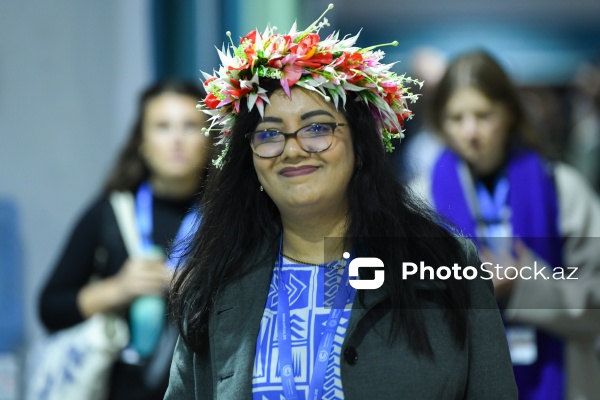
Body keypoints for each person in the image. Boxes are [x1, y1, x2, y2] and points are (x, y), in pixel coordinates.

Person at [165, 6, 517, 399]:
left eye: (317, 128)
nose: (293, 150)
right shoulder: (216, 281)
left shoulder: (448, 263)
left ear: (362, 148)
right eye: (269, 134)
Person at [413, 50, 600, 399]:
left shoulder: (563, 189)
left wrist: (525, 285)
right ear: (440, 122)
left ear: (510, 114)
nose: (471, 132)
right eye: (456, 118)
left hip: (563, 380)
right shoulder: (421, 201)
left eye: (484, 115)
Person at [39, 80, 213, 400]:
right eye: (162, 127)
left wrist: (203, 287)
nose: (176, 140)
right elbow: (50, 308)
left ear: (211, 138)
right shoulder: (109, 213)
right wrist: (119, 289)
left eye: (190, 126)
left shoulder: (229, 218)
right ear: (142, 142)